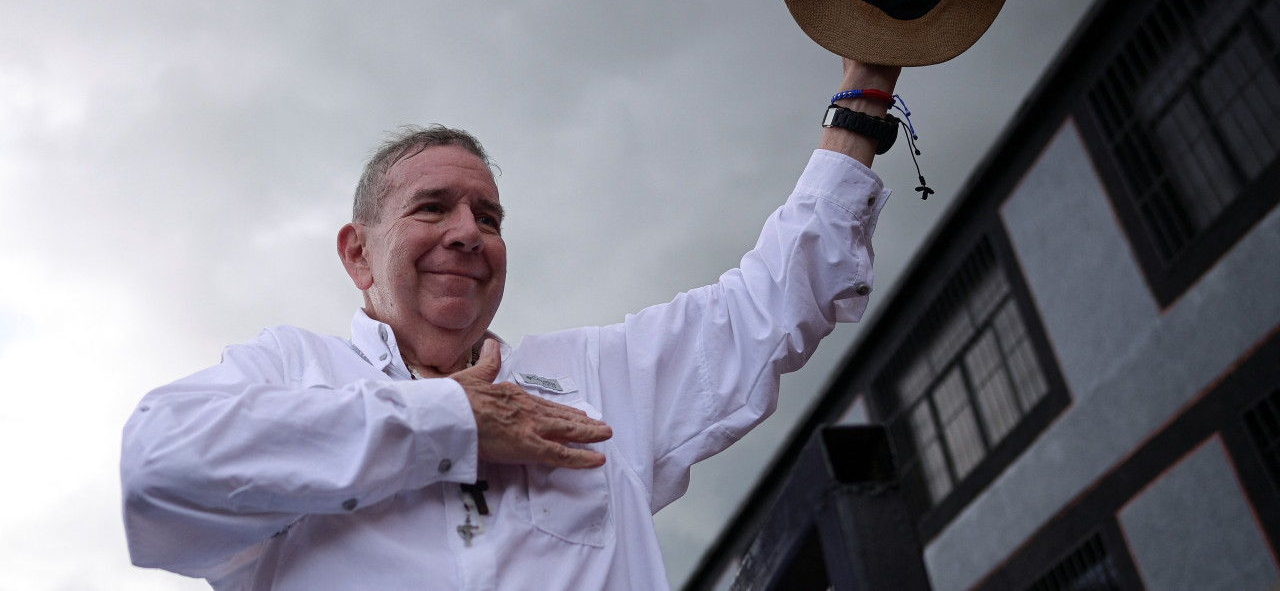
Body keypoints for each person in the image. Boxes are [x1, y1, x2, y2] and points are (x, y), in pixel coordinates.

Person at [121, 58, 900, 590]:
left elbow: (767, 304)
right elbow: (158, 465)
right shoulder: (292, 371)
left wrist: (863, 97)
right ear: (358, 253)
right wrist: (446, 422)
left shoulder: (599, 383)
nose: (468, 231)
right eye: (433, 207)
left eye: (487, 215)